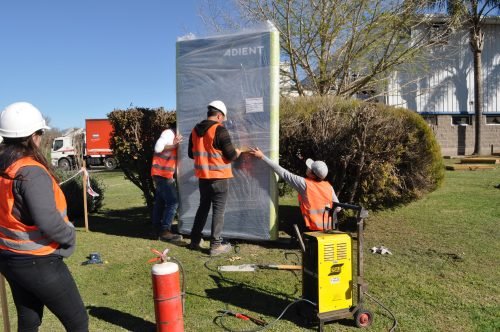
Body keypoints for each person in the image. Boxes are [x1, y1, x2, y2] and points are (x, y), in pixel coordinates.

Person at [0, 102, 88, 331]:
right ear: (33, 136)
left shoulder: (5, 168)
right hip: (38, 261)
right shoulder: (31, 171)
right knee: (78, 321)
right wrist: (69, 235)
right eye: (40, 132)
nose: (40, 137)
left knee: (29, 319)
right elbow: (48, 221)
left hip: (9, 258)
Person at [187, 100, 241, 256]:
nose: (223, 120)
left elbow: (191, 154)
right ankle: (216, 245)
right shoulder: (220, 130)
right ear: (219, 115)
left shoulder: (195, 131)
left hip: (203, 178)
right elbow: (230, 155)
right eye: (223, 117)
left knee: (203, 208)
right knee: (218, 211)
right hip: (219, 178)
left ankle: (195, 241)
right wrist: (238, 151)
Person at [249, 147, 341, 231]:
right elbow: (338, 208)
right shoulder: (328, 186)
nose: (307, 168)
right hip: (328, 227)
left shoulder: (304, 184)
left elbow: (283, 173)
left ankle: (300, 238)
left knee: (288, 221)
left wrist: (262, 157)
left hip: (312, 227)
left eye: (309, 168)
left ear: (312, 174)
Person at [151, 125, 183, 241]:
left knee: (160, 203)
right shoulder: (168, 133)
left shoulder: (171, 134)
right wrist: (174, 145)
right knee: (173, 202)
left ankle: (155, 230)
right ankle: (165, 231)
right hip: (162, 175)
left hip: (161, 174)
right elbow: (158, 147)